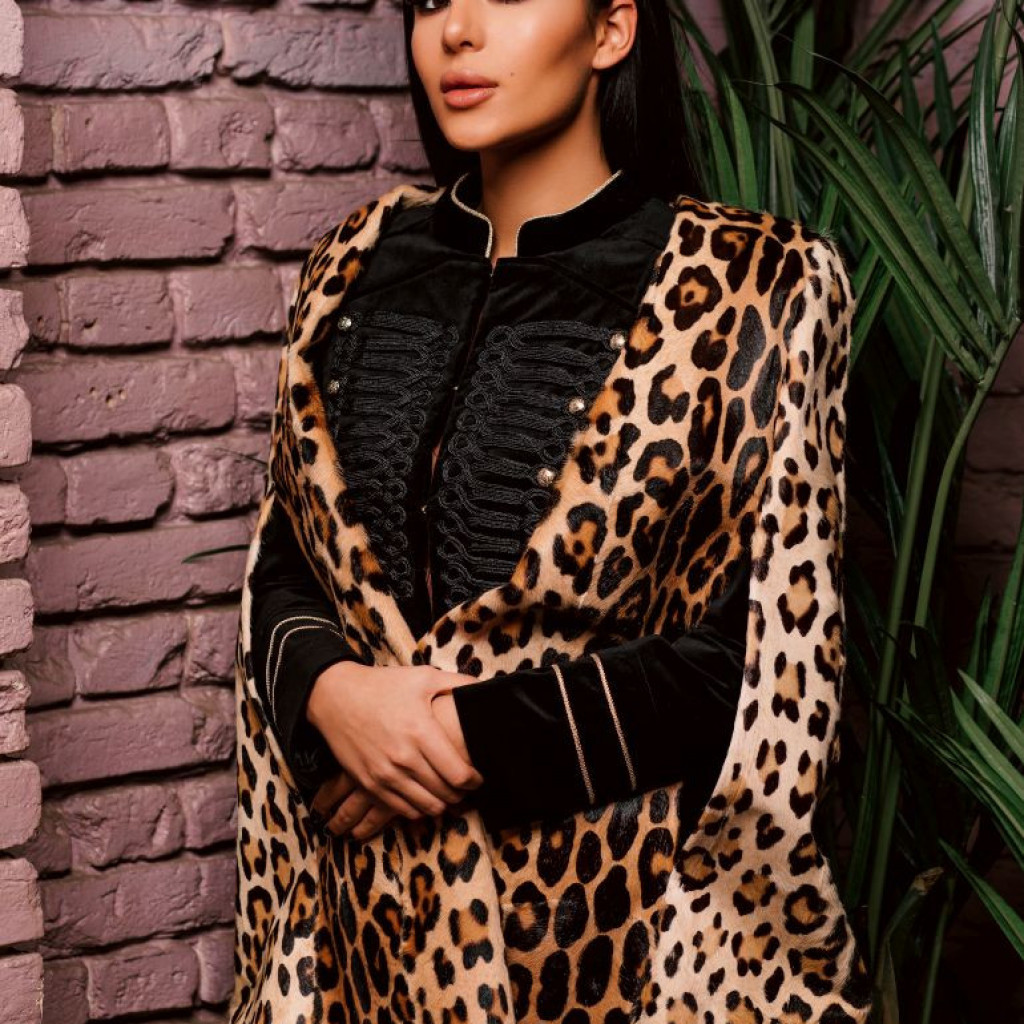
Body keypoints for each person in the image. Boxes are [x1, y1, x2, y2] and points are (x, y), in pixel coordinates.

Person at [230, 0, 872, 1021]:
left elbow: (760, 657)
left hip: (617, 943)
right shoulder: (352, 265)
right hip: (367, 942)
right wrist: (334, 695)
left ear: (611, 30)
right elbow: (287, 562)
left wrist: (451, 736)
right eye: (431, 0)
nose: (456, 30)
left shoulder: (754, 287)